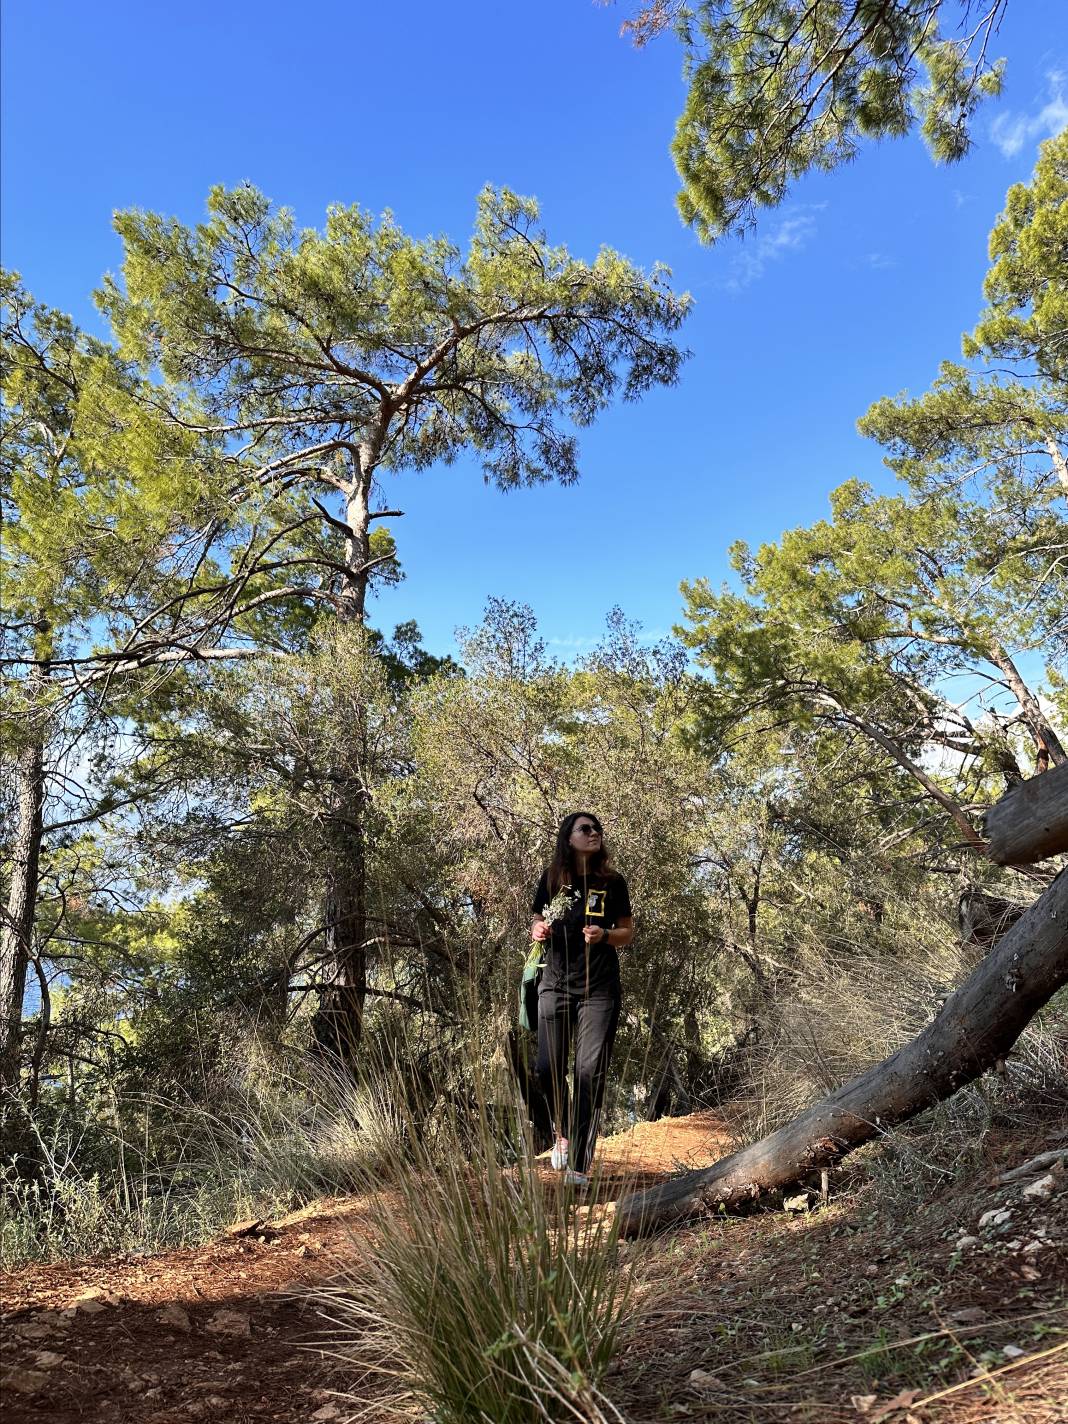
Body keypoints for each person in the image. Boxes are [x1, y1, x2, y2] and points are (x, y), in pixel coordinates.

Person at [530, 812, 633, 1187]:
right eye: (585, 829)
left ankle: (578, 1164)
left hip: (600, 989)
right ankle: (563, 1129)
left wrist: (605, 935)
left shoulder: (613, 881)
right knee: (546, 1068)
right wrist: (538, 928)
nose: (594, 834)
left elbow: (627, 932)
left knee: (589, 1070)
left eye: (597, 829)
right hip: (555, 983)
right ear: (568, 837)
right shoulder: (554, 878)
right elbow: (536, 916)